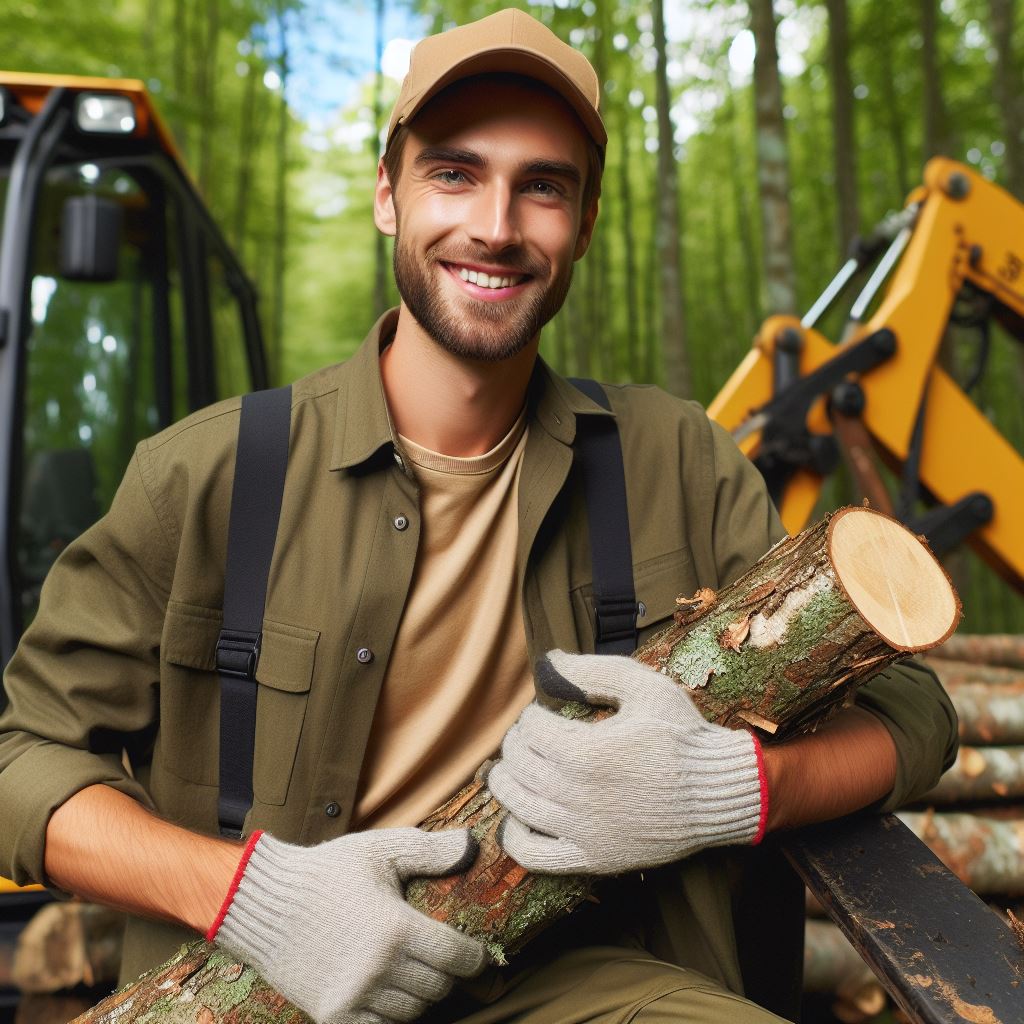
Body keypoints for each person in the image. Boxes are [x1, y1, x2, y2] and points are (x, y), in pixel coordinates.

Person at [0, 9, 956, 1024]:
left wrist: (732, 789)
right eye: (453, 173)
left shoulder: (672, 457)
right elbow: (22, 759)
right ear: (387, 194)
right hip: (260, 986)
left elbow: (914, 715)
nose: (495, 225)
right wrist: (250, 898)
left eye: (541, 185)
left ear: (584, 223)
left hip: (574, 979)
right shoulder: (204, 475)